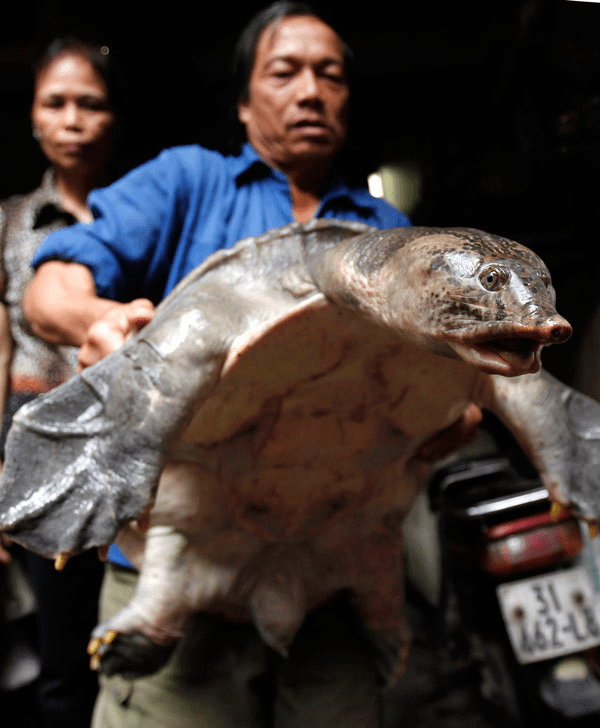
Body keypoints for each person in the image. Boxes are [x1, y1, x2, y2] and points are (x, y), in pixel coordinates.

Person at [21, 4, 459, 727]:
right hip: (183, 566)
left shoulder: (389, 236)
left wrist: (440, 414)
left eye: (331, 75)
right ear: (244, 101)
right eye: (284, 72)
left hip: (329, 577)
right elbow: (52, 283)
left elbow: (441, 396)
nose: (312, 91)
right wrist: (98, 321)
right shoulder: (190, 182)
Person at [0, 36, 123, 727]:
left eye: (90, 104)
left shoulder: (141, 216)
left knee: (136, 621)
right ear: (34, 118)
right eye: (56, 103)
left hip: (126, 437)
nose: (73, 119)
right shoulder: (11, 222)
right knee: (62, 642)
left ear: (114, 118)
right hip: (35, 441)